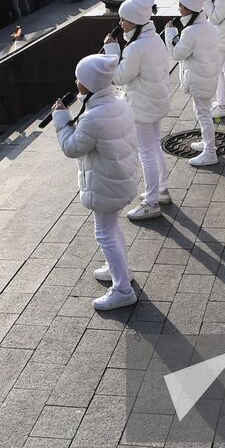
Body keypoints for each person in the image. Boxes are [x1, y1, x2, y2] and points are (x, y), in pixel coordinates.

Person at [51, 54, 140, 311]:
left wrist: (60, 118)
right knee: (112, 229)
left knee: (104, 233)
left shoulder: (93, 117)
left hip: (106, 184)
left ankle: (123, 289)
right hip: (119, 179)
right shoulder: (118, 103)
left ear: (88, 84)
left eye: (79, 78)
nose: (75, 82)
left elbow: (71, 147)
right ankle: (121, 270)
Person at [101, 0, 173, 221]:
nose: (121, 23)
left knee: (147, 153)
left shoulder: (136, 48)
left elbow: (120, 77)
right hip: (155, 101)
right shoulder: (153, 39)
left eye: (124, 20)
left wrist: (112, 49)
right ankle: (161, 190)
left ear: (135, 20)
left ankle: (151, 203)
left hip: (142, 106)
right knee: (154, 147)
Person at [165, 0, 220, 167]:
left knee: (203, 113)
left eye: (181, 6)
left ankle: (210, 152)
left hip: (199, 79)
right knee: (202, 111)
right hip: (207, 76)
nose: (179, 9)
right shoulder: (209, 26)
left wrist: (170, 34)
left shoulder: (190, 32)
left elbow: (177, 54)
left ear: (189, 9)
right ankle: (207, 141)